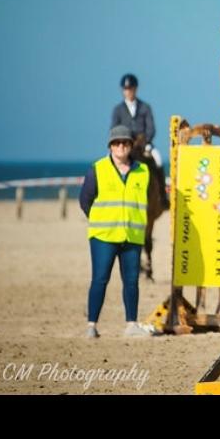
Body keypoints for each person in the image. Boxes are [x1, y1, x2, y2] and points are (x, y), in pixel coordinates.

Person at [78, 125, 152, 338]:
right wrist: (101, 220)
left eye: (126, 143)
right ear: (110, 146)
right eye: (117, 143)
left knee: (131, 281)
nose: (121, 146)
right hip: (104, 236)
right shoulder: (97, 169)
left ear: (131, 146)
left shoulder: (143, 171)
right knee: (100, 279)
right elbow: (85, 200)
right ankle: (91, 326)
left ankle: (131, 324)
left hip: (132, 236)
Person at [111, 74, 168, 209]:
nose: (129, 91)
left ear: (135, 89)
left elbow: (151, 128)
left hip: (144, 144)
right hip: (124, 144)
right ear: (123, 90)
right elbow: (114, 129)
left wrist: (146, 141)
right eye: (126, 89)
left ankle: (162, 196)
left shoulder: (145, 107)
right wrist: (123, 142)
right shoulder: (118, 110)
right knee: (110, 162)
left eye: (131, 88)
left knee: (158, 160)